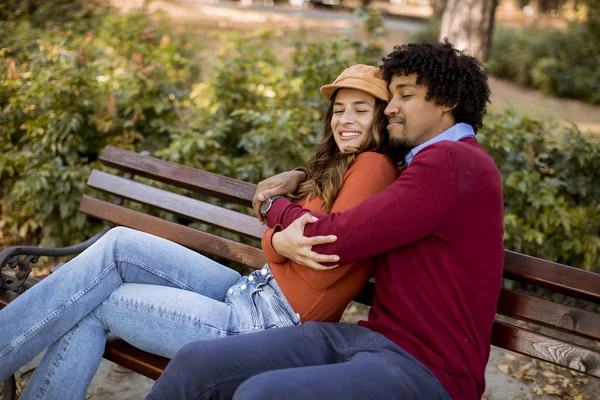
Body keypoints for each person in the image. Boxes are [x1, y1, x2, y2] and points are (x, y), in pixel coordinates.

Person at [0, 64, 403, 400]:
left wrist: (275, 241)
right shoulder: (344, 165)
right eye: (339, 110)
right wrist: (295, 186)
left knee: (98, 303)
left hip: (265, 327)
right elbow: (286, 218)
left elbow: (322, 259)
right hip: (253, 293)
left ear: (382, 118)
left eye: (360, 110)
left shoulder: (372, 167)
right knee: (119, 244)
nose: (345, 120)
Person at [146, 40, 504, 400]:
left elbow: (331, 238)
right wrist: (302, 176)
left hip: (430, 369)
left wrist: (274, 208)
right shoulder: (429, 163)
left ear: (447, 100)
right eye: (391, 97)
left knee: (263, 394)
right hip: (372, 341)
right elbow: (362, 168)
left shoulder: (452, 163)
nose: (391, 108)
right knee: (196, 360)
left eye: (404, 96)